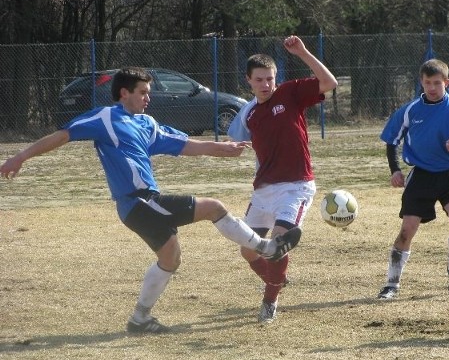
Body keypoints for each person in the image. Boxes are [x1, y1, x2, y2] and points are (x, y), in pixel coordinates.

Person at [0, 67, 302, 334]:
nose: (148, 98)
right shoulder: (106, 117)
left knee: (171, 257)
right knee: (215, 208)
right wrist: (21, 156)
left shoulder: (146, 125)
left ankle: (140, 319)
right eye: (143, 92)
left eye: (149, 92)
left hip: (141, 206)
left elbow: (185, 145)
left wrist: (223, 148)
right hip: (137, 201)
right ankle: (267, 247)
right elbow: (62, 135)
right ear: (124, 93)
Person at [228, 35, 338, 323]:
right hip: (263, 190)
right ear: (248, 81)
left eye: (270, 78)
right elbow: (237, 142)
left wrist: (302, 52)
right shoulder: (247, 112)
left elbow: (329, 83)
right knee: (247, 249)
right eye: (260, 79)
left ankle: (269, 301)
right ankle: (276, 279)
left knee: (277, 243)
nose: (266, 84)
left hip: (296, 185)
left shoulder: (290, 93)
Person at [376, 58, 449, 300]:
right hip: (422, 175)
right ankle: (391, 284)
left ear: (447, 82)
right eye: (428, 83)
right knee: (407, 230)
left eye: (437, 83)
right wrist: (395, 170)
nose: (432, 88)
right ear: (421, 83)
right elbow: (391, 141)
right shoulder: (410, 110)